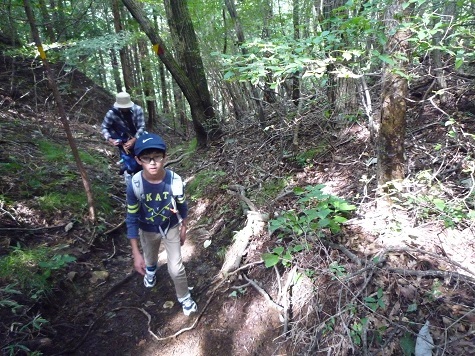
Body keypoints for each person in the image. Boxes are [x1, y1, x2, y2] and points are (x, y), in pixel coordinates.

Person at [125, 133, 198, 316]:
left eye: (157, 156)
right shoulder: (135, 184)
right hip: (147, 229)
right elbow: (131, 216)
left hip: (170, 226)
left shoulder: (174, 181)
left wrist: (183, 226)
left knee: (176, 267)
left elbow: (182, 205)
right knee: (150, 257)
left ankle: (184, 297)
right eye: (146, 157)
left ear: (165, 157)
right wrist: (135, 252)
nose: (152, 162)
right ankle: (151, 271)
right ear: (138, 160)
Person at [101, 91, 146, 175]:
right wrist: (111, 139)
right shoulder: (112, 113)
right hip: (123, 142)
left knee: (142, 162)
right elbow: (104, 127)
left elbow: (142, 127)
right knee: (132, 166)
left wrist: (134, 140)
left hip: (139, 139)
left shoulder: (138, 110)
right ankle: (128, 170)